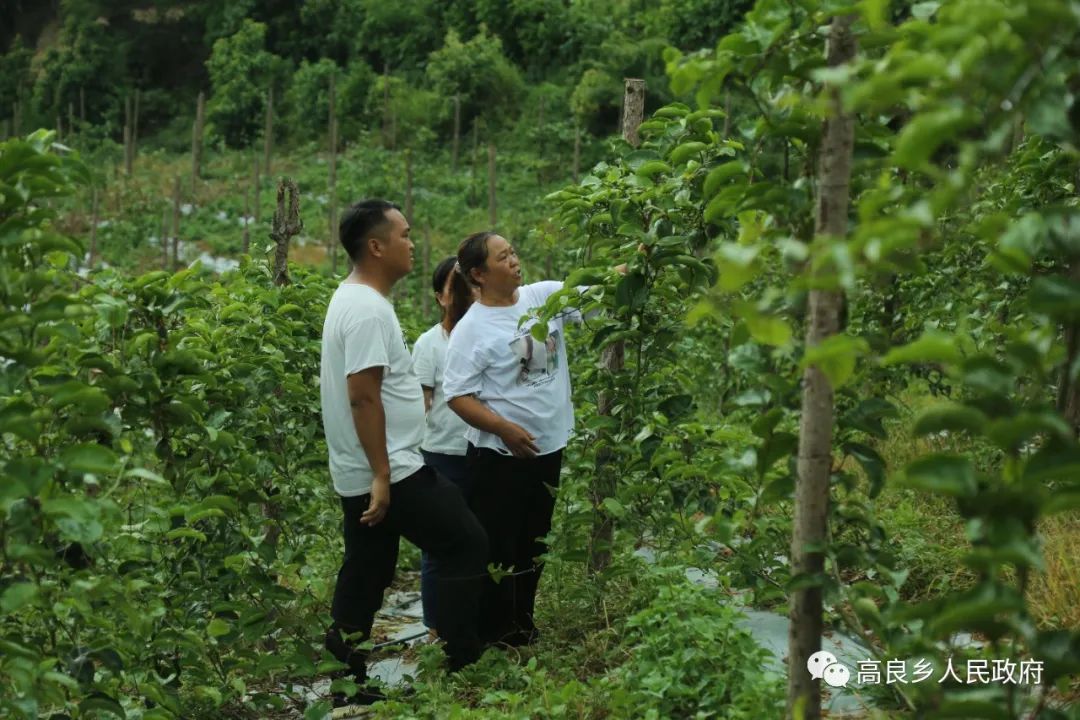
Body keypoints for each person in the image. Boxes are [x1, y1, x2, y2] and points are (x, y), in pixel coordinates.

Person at [319, 200, 487, 705]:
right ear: (376, 246)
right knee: (465, 540)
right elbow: (363, 394)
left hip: (364, 465)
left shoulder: (350, 299)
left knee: (367, 570)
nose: (412, 243)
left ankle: (346, 681)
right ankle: (460, 660)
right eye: (405, 234)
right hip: (390, 467)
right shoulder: (368, 309)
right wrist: (383, 475)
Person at [441, 231, 588, 647]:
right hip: (499, 458)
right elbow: (456, 396)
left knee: (534, 541)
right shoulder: (472, 330)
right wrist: (503, 427)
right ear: (478, 274)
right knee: (498, 547)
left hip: (547, 448)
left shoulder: (543, 297)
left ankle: (521, 625)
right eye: (503, 258)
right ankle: (489, 633)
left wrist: (641, 254)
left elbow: (600, 287)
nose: (515, 262)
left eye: (513, 253)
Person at [410, 256, 476, 633]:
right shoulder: (429, 344)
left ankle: (472, 621)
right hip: (442, 456)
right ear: (440, 297)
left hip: (485, 454)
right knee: (440, 546)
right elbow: (420, 402)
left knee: (480, 540)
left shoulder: (488, 335)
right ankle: (436, 626)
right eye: (457, 288)